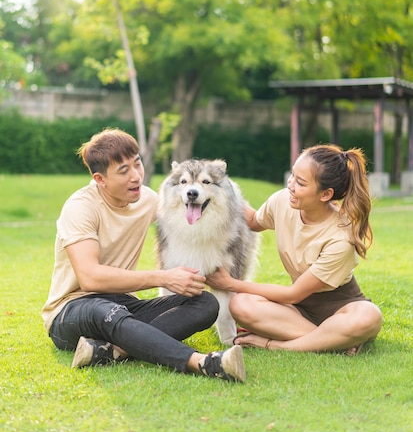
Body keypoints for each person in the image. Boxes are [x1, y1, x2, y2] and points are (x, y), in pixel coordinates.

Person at [42, 128, 245, 382]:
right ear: (100, 179)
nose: (136, 176)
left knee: (205, 303)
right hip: (72, 310)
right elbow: (90, 279)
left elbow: (220, 208)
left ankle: (112, 352)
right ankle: (203, 362)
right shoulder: (80, 208)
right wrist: (163, 277)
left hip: (123, 304)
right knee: (102, 309)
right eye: (123, 171)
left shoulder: (148, 200)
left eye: (137, 164)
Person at [206, 144, 383, 355]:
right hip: (297, 312)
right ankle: (335, 341)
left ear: (325, 194)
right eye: (292, 176)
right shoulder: (283, 201)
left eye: (300, 182)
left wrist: (230, 283)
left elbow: (293, 294)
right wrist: (222, 191)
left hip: (339, 307)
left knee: (369, 316)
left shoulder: (341, 238)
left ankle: (282, 344)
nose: (290, 184)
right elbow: (253, 220)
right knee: (240, 304)